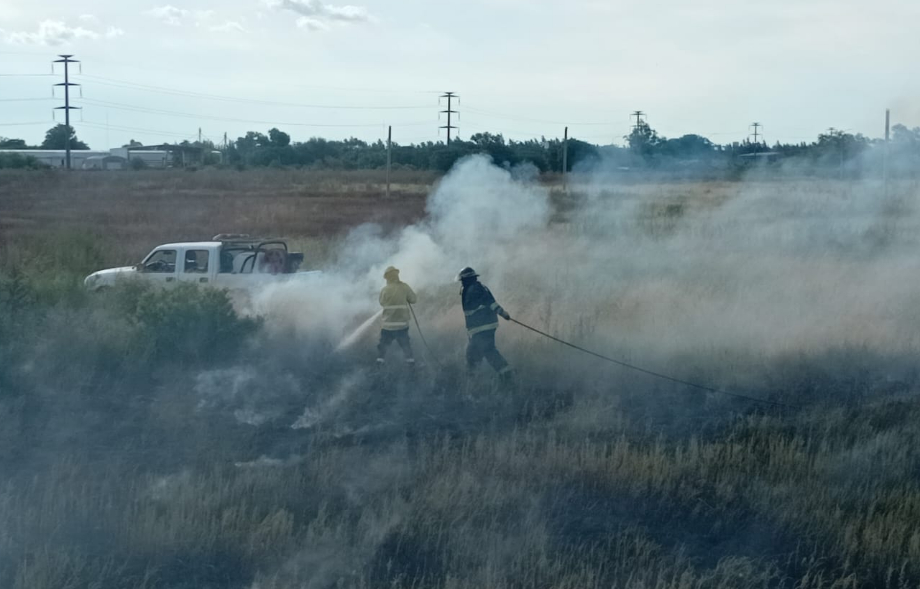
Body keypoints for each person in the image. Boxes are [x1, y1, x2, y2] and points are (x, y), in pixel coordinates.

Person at [458, 267, 513, 383]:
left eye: (463, 280)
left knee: (487, 351)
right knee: (474, 354)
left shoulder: (475, 289)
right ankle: (474, 380)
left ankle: (507, 376)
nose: (461, 282)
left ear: (467, 279)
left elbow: (490, 303)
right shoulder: (475, 288)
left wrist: (503, 313)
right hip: (480, 327)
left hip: (482, 327)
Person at [377, 266, 417, 365]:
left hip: (387, 326)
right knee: (406, 347)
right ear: (397, 275)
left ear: (387, 278)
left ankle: (378, 367)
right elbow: (414, 300)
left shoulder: (384, 290)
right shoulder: (404, 287)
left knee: (382, 348)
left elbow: (382, 303)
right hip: (402, 326)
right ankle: (412, 368)